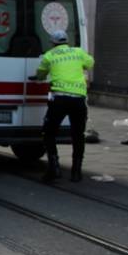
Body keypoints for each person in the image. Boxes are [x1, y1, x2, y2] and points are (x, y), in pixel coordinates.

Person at [32, 29, 94, 182]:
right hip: (79, 100)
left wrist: (39, 76)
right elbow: (90, 63)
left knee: (49, 133)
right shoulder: (78, 52)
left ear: (52, 43)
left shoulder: (49, 56)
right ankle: (76, 172)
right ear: (67, 41)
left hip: (59, 100)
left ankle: (54, 168)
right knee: (78, 135)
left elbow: (40, 74)